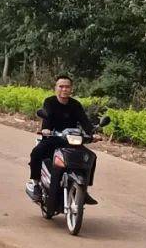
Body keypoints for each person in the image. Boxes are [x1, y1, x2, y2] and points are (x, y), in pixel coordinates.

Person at [27, 74, 97, 203]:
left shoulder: (76, 105)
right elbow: (46, 117)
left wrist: (93, 133)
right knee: (36, 152)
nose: (64, 89)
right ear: (56, 88)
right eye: (61, 86)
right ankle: (36, 184)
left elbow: (85, 121)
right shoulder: (50, 102)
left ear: (71, 89)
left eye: (67, 87)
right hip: (53, 138)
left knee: (90, 157)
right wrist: (46, 130)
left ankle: (83, 189)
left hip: (71, 140)